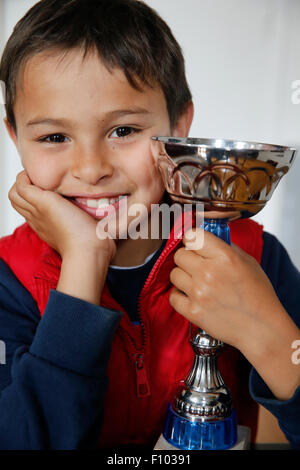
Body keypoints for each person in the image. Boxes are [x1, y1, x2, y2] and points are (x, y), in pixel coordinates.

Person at [0, 0, 299, 450]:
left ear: (178, 128)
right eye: (54, 137)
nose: (91, 168)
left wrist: (270, 334)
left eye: (123, 131)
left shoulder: (251, 255)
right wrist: (83, 264)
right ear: (15, 138)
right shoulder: (9, 279)